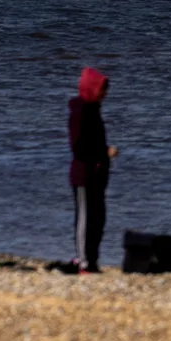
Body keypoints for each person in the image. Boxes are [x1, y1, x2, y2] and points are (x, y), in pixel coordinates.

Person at [69, 67, 118, 274]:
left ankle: (93, 260)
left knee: (98, 219)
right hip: (84, 175)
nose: (104, 94)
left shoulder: (94, 110)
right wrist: (103, 152)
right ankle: (83, 262)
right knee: (85, 219)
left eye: (105, 91)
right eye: (101, 90)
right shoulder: (80, 111)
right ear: (91, 88)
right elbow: (78, 147)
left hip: (98, 174)